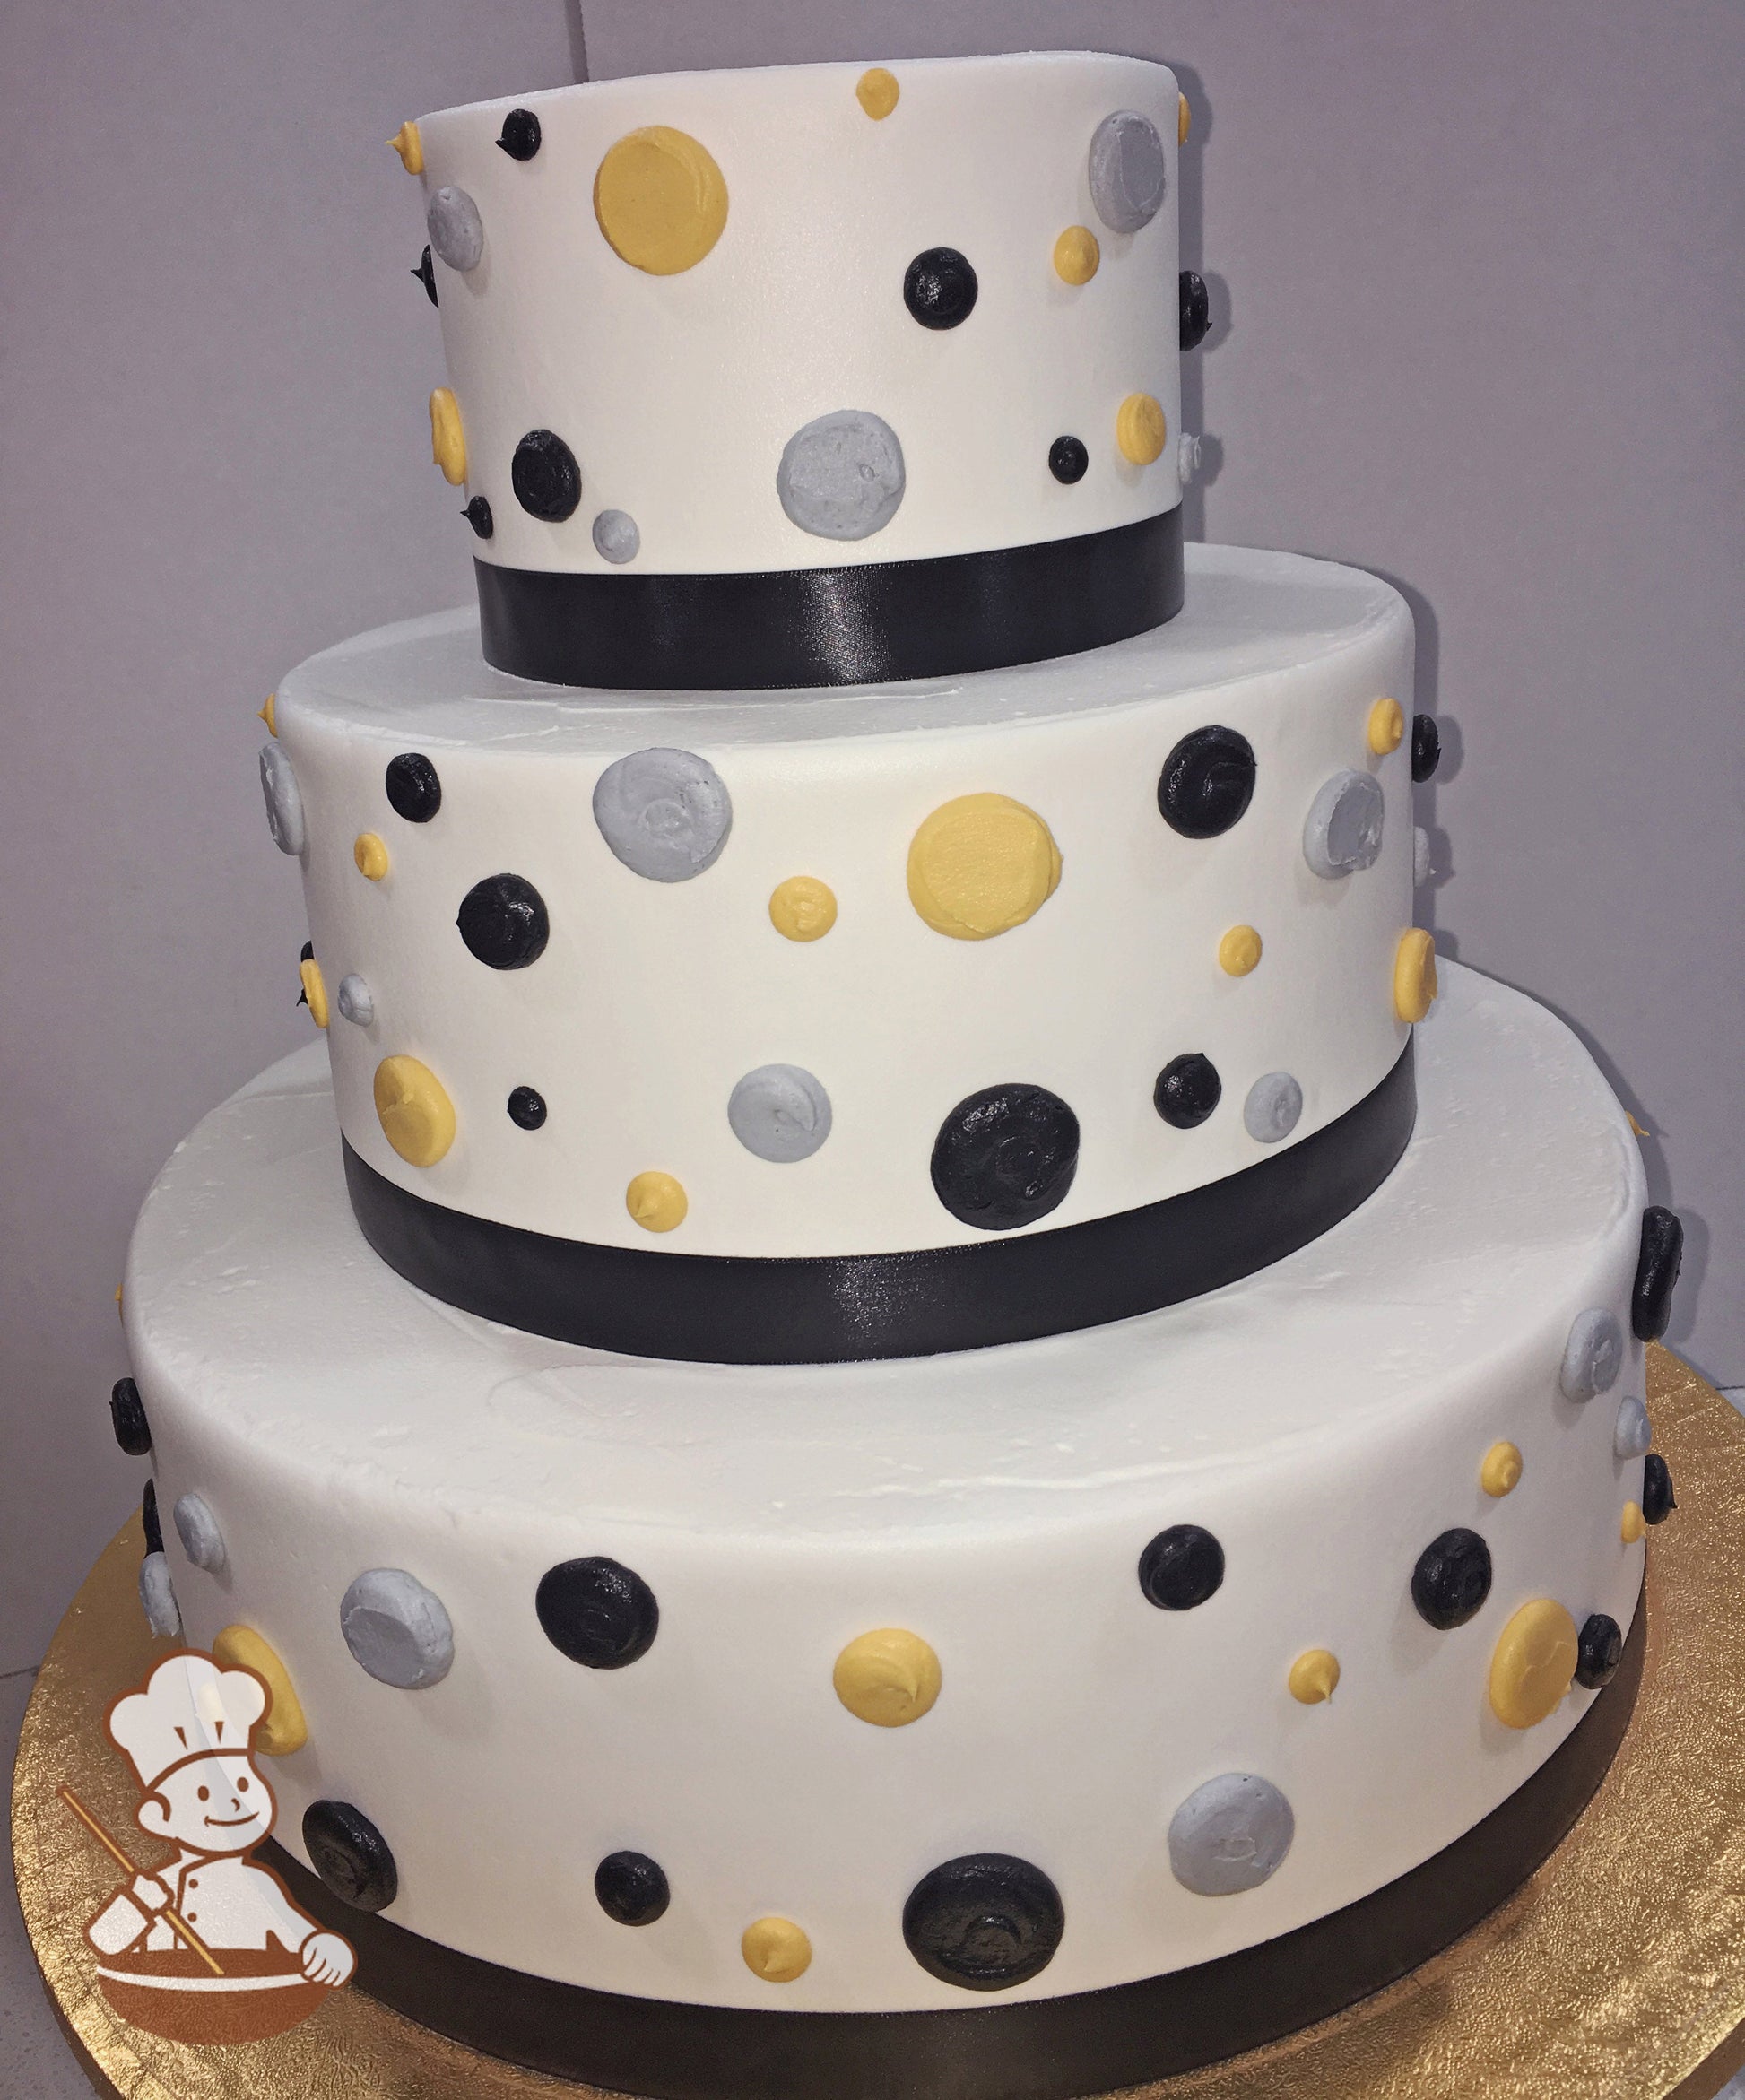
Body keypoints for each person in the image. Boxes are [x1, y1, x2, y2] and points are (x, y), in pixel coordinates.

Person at [84, 1650, 353, 1986]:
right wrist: (138, 1903)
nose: (233, 1803)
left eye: (241, 1785)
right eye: (203, 1795)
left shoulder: (260, 1887)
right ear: (159, 1818)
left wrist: (327, 1950)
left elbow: (305, 1937)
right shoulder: (161, 1887)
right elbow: (105, 1941)